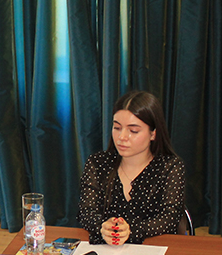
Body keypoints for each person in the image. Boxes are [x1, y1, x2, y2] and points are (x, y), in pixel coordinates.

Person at [78, 90, 186, 245]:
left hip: (153, 248)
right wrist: (103, 227)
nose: (122, 137)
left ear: (153, 134)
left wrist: (131, 230)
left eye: (133, 131)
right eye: (117, 128)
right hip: (106, 249)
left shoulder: (170, 167)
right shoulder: (97, 163)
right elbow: (86, 212)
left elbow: (170, 218)